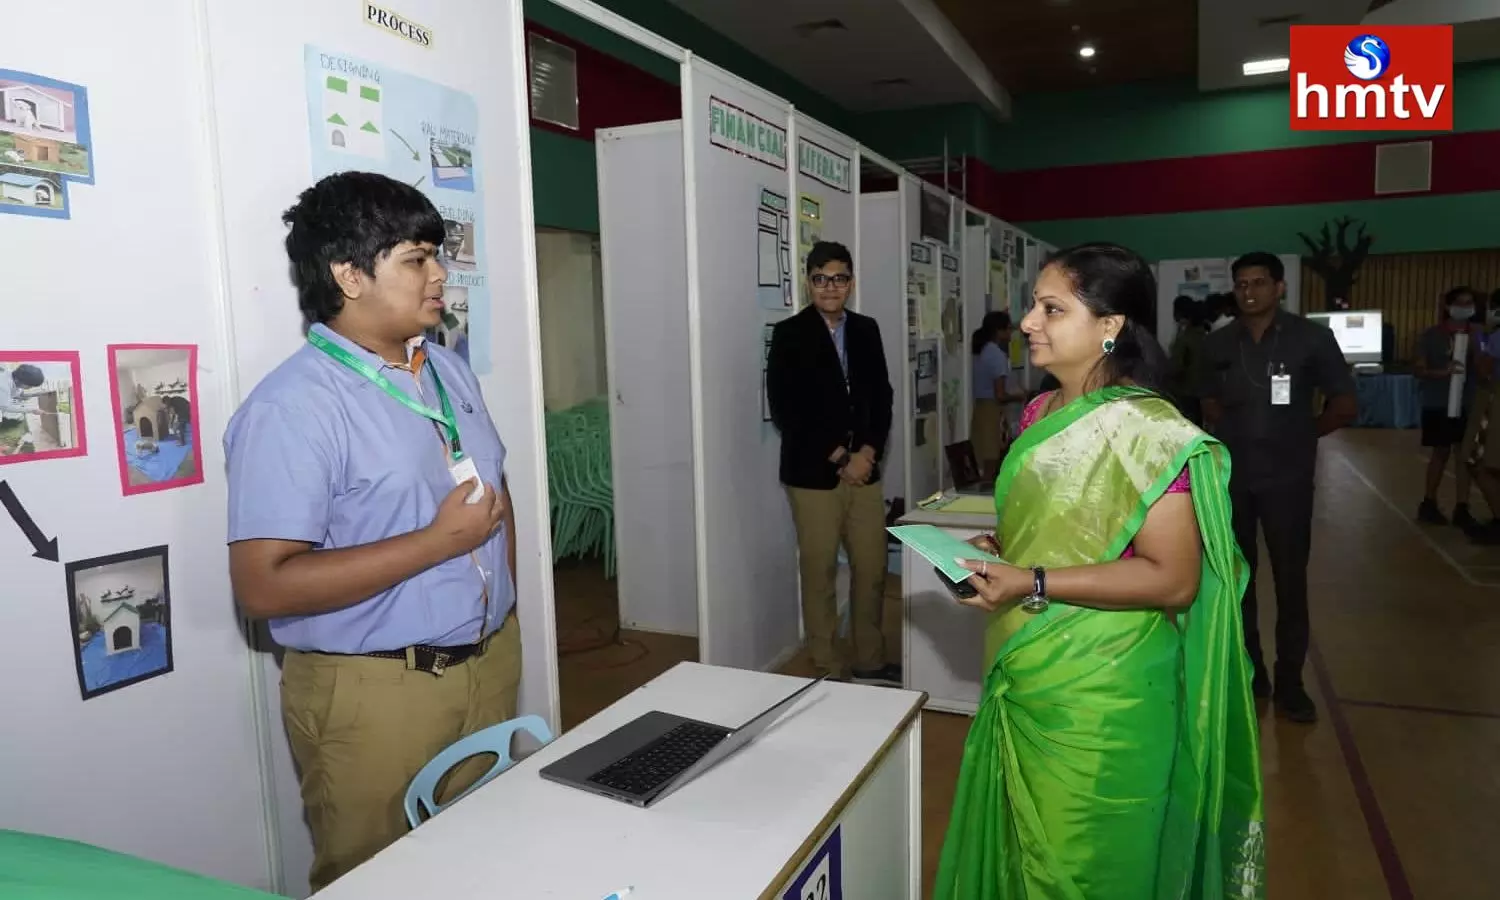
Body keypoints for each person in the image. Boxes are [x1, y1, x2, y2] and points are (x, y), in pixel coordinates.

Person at [933, 243, 1264, 899]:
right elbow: (1065, 526)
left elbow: (1173, 579)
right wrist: (1007, 547)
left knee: (1085, 867)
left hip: (1103, 699)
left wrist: (1031, 581)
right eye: (1034, 305)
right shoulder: (1040, 412)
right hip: (1028, 675)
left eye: (1052, 308)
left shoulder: (1150, 431)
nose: (1029, 321)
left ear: (1110, 326)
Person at [223, 172, 522, 891]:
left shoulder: (447, 370)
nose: (439, 273)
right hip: (374, 693)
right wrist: (436, 544)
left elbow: (491, 497)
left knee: (484, 863)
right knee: (378, 880)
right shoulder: (293, 408)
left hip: (488, 664)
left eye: (435, 255)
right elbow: (264, 586)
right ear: (350, 275)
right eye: (417, 258)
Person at [1199, 251, 1356, 724]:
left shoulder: (1311, 338)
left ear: (1280, 287)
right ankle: (1251, 672)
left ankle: (1291, 681)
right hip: (1233, 479)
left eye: (1260, 282)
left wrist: (1301, 436)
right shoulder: (1218, 343)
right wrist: (1236, 437)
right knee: (1238, 578)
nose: (1250, 291)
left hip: (1288, 481)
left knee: (1291, 581)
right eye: (1242, 284)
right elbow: (1207, 400)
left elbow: (1344, 404)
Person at [767, 241, 898, 686]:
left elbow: (882, 397)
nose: (830, 287)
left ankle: (870, 657)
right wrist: (841, 456)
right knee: (820, 569)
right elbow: (787, 410)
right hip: (812, 475)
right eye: (821, 278)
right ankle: (828, 664)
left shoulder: (867, 330)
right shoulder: (789, 334)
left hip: (864, 470)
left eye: (839, 278)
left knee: (872, 566)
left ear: (851, 282)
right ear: (808, 282)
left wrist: (867, 452)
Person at [1415, 287, 1488, 529]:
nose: (1465, 308)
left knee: (1464, 455)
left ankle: (1462, 507)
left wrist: (1478, 350)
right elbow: (1419, 369)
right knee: (1440, 452)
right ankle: (1429, 502)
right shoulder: (1432, 335)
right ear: (1448, 306)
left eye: (1470, 303)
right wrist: (1442, 372)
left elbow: (1484, 370)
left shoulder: (1478, 334)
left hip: (1469, 403)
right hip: (1439, 402)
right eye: (1460, 303)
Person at [969, 311, 1018, 478]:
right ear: (999, 331)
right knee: (991, 461)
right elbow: (1000, 395)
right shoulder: (996, 355)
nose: (1011, 333)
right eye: (1008, 329)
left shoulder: (981, 350)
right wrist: (1020, 396)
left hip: (980, 410)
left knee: (983, 458)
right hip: (992, 412)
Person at [1168, 294, 1206, 424]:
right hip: (1201, 391)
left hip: (1185, 392)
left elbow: (1176, 366)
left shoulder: (1185, 337)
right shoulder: (1203, 332)